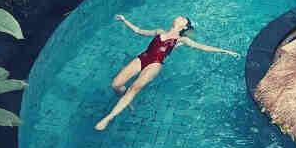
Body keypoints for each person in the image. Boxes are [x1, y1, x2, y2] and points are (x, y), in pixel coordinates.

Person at [94, 15, 240, 130]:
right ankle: (127, 102)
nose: (180, 17)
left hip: (155, 64)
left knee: (134, 88)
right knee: (116, 84)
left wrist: (225, 51)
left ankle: (109, 117)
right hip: (142, 57)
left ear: (184, 25)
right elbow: (139, 31)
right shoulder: (159, 31)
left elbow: (203, 47)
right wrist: (125, 21)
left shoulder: (182, 40)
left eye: (183, 18)